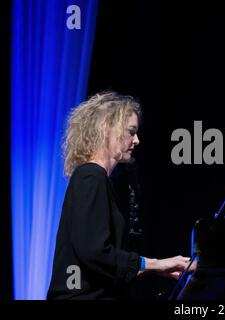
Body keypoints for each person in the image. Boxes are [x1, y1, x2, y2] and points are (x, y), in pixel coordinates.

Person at [47, 91, 190, 300]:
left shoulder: (96, 178)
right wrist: (156, 264)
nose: (137, 140)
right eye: (131, 132)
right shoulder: (91, 176)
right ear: (107, 129)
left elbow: (100, 262)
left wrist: (151, 268)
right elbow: (93, 252)